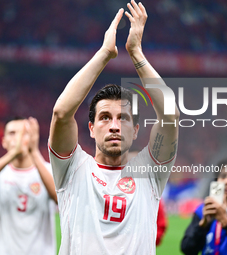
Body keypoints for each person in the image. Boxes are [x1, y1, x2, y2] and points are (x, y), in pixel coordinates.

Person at [49, 1, 179, 254]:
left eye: (124, 119)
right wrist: (104, 54)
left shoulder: (149, 173)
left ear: (136, 130)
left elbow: (170, 116)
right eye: (105, 117)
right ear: (90, 127)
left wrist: (136, 53)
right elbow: (61, 113)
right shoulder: (72, 168)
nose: (115, 126)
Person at [0, 117, 57, 255]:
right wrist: (12, 154)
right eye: (12, 133)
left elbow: (59, 198)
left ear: (33, 138)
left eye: (24, 132)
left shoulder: (49, 171)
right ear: (4, 142)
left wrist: (34, 152)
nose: (18, 137)